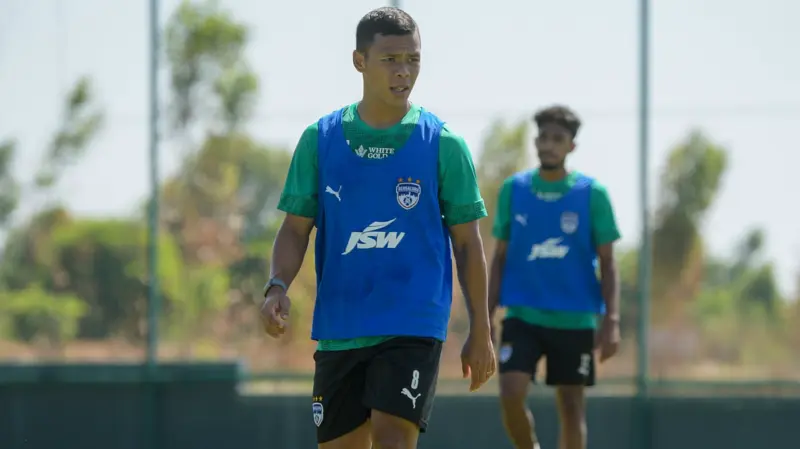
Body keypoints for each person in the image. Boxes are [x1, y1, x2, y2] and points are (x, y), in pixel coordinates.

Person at [260, 7, 496, 449]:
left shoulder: (443, 144)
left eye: (413, 59)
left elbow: (468, 244)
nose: (403, 71)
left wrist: (481, 330)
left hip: (412, 323)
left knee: (392, 440)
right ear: (360, 61)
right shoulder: (320, 139)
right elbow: (294, 229)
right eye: (390, 59)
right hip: (340, 325)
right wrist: (276, 286)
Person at [488, 105, 621, 449]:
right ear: (536, 141)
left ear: (571, 146)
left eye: (557, 139)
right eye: (543, 137)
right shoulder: (514, 190)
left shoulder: (592, 194)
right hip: (523, 316)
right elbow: (499, 257)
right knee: (510, 393)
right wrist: (485, 315)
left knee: (572, 407)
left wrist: (611, 321)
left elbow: (608, 263)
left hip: (574, 319)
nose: (548, 145)